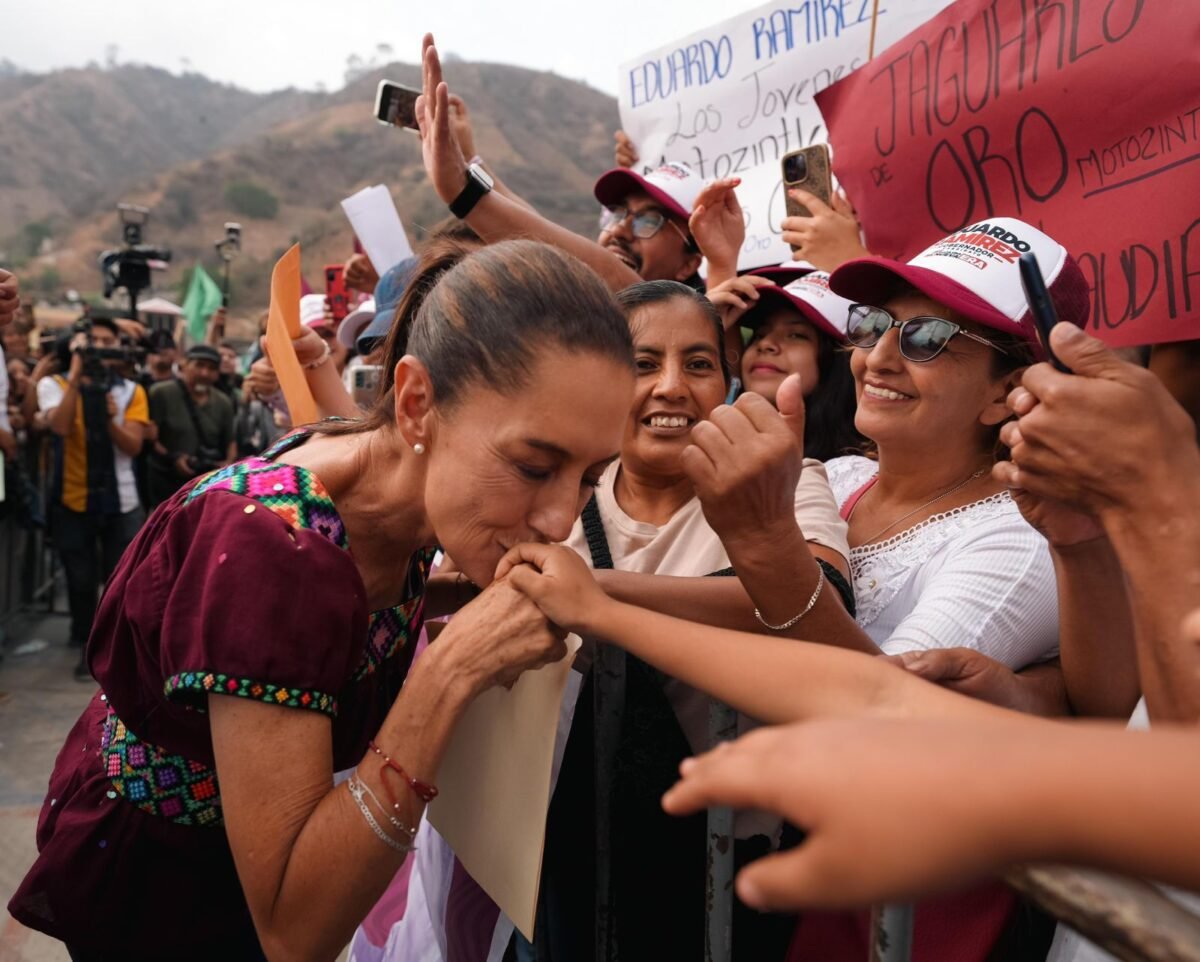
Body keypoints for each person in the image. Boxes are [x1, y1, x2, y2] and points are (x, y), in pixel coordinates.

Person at [9, 240, 637, 961]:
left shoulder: (393, 496)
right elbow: (296, 933)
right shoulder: (272, 550)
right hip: (167, 900)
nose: (561, 520)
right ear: (416, 404)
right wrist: (447, 674)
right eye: (534, 465)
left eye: (591, 477)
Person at [414, 36, 704, 293]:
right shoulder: (592, 318)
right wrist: (469, 160)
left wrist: (462, 191)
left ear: (688, 265)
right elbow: (537, 229)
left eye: (649, 221)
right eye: (617, 213)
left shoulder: (693, 323)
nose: (619, 230)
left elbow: (594, 267)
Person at [36, 317, 149, 675]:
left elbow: (133, 447)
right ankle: (86, 647)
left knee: (118, 580)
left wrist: (111, 420)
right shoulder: (52, 385)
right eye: (91, 342)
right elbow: (60, 426)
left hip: (122, 501)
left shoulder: (132, 391)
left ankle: (112, 653)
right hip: (72, 498)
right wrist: (77, 374)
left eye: (105, 342)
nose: (98, 349)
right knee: (81, 580)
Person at [708, 267, 864, 461]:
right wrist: (700, 326)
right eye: (760, 333)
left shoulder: (857, 475)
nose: (765, 344)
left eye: (796, 335)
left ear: (839, 360)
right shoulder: (706, 440)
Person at [146, 343, 237, 507]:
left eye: (211, 368)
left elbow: (230, 441)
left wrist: (226, 467)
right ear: (184, 365)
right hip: (168, 480)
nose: (204, 373)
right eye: (199, 365)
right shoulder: (161, 393)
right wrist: (174, 458)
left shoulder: (223, 402)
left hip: (206, 482)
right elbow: (151, 437)